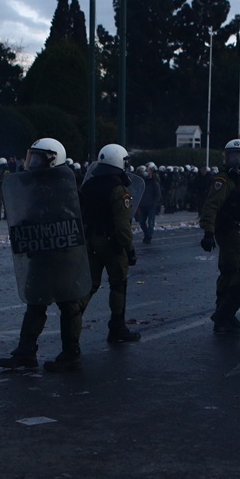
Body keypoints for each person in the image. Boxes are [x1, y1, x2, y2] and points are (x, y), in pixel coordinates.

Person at [0, 138, 93, 373]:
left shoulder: (68, 187)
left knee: (69, 302)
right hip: (41, 252)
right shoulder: (34, 185)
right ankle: (25, 352)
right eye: (34, 156)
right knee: (35, 301)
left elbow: (77, 220)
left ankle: (71, 353)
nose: (34, 162)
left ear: (54, 158)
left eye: (40, 157)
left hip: (64, 253)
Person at [200, 139, 240, 335]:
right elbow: (211, 206)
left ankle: (224, 315)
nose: (236, 161)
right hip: (231, 232)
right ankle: (224, 315)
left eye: (239, 156)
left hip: (238, 229)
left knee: (228, 271)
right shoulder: (223, 181)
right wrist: (208, 232)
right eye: (232, 156)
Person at [81, 144, 140, 344]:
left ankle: (71, 322)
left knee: (88, 286)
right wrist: (129, 249)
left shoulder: (88, 185)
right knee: (118, 285)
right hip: (112, 243)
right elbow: (122, 226)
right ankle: (117, 327)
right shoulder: (118, 189)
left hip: (91, 240)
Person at [137, 163, 161, 244]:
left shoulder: (154, 182)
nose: (146, 172)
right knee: (141, 222)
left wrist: (154, 204)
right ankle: (147, 235)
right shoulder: (143, 181)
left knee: (151, 223)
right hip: (143, 205)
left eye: (148, 171)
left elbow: (157, 194)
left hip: (151, 205)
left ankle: (148, 237)